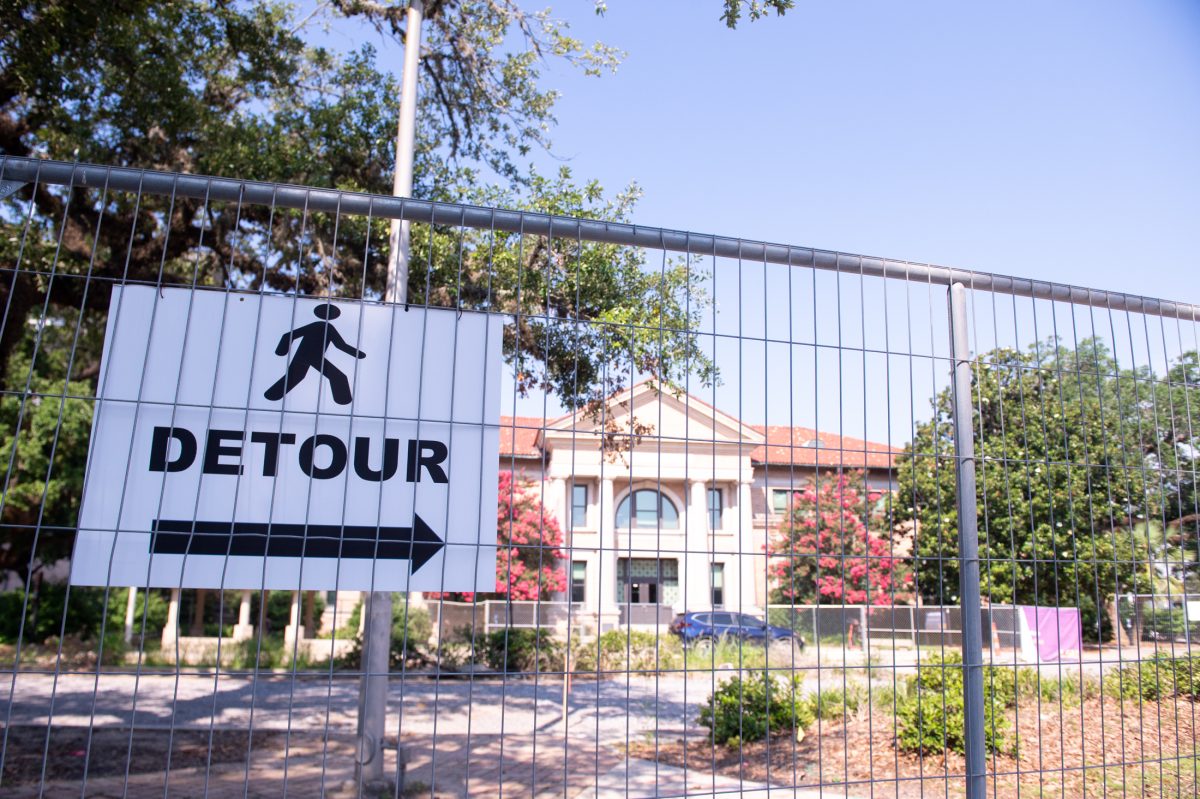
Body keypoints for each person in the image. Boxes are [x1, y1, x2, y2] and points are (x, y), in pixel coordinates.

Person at [264, 304, 365, 405]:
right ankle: (343, 399)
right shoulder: (322, 326)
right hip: (311, 356)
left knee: (296, 376)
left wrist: (281, 351)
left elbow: (340, 345)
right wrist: (281, 351)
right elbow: (289, 335)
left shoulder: (324, 327)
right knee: (337, 376)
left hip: (306, 355)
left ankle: (272, 394)